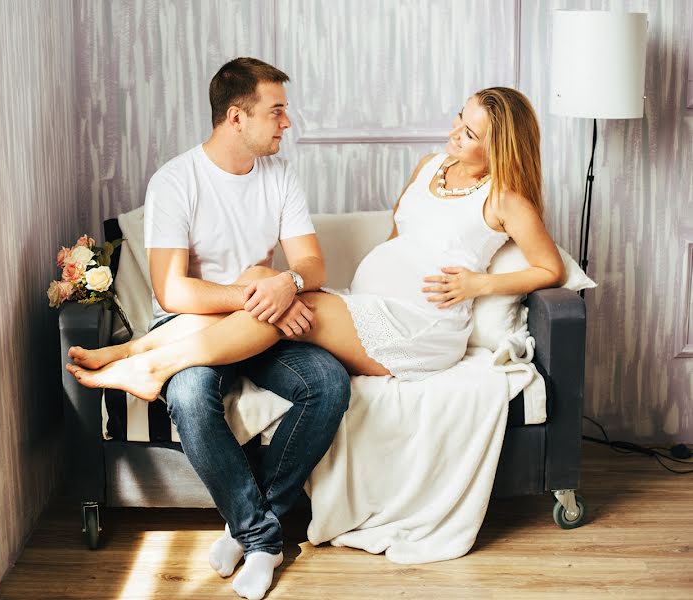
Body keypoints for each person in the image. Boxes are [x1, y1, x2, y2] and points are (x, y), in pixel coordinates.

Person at [68, 85, 566, 596]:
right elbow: (403, 238)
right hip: (370, 307)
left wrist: (479, 284)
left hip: (422, 327)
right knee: (265, 286)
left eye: (469, 133)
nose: (452, 134)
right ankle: (143, 363)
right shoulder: (428, 166)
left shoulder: (507, 200)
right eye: (458, 120)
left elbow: (548, 268)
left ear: (501, 145)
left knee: (279, 298)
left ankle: (150, 363)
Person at [70, 57, 351, 600]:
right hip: (190, 323)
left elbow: (313, 266)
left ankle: (244, 524)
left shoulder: (281, 176)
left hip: (261, 325)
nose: (286, 123)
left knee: (329, 385)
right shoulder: (176, 181)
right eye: (276, 112)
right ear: (235, 118)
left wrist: (285, 282)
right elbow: (172, 290)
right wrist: (261, 294)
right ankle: (264, 539)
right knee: (191, 397)